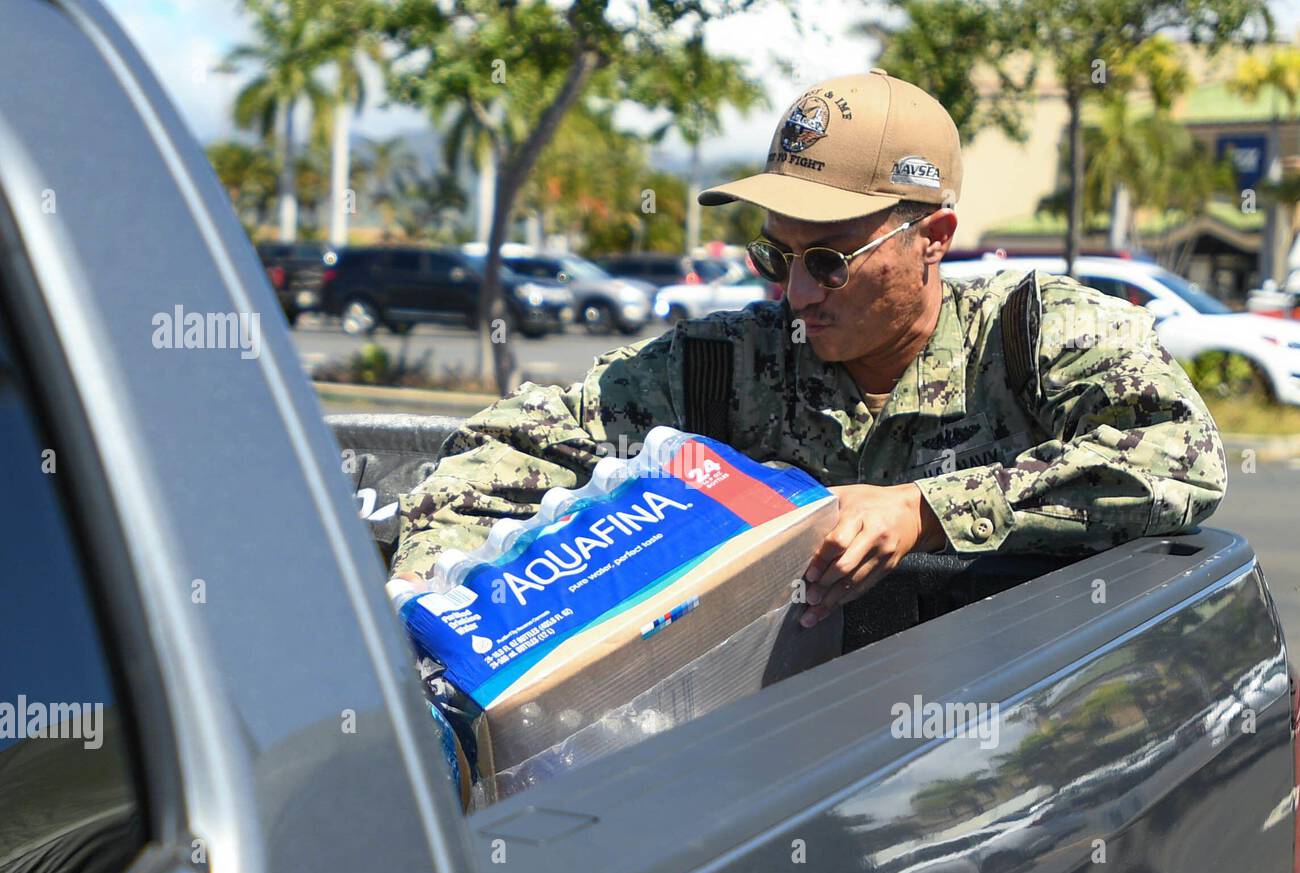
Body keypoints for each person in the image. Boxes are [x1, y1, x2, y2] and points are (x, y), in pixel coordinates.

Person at [390, 71, 1225, 629]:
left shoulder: (1034, 336)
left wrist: (926, 509)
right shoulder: (718, 368)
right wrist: (429, 607)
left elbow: (1180, 460)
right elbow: (508, 446)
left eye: (828, 261)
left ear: (932, 237)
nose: (793, 295)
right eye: (774, 256)